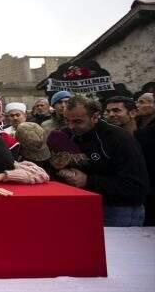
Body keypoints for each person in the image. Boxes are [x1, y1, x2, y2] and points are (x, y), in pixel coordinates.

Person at [62, 95, 149, 226]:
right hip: (85, 207)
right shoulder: (66, 134)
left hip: (119, 211)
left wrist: (88, 180)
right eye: (67, 120)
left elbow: (136, 186)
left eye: (78, 121)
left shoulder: (119, 139)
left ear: (95, 117)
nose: (71, 126)